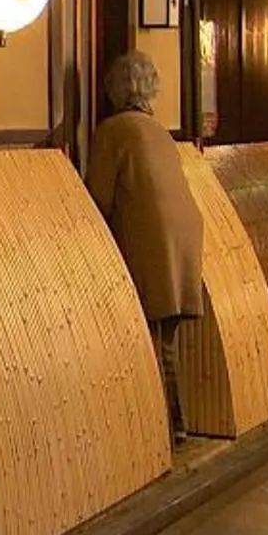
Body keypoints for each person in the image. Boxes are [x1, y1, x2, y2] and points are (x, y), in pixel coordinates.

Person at [85, 51, 207, 436]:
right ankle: (175, 422)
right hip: (181, 237)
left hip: (149, 241)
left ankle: (168, 425)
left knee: (152, 337)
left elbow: (98, 197)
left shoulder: (114, 130)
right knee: (165, 336)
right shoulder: (158, 130)